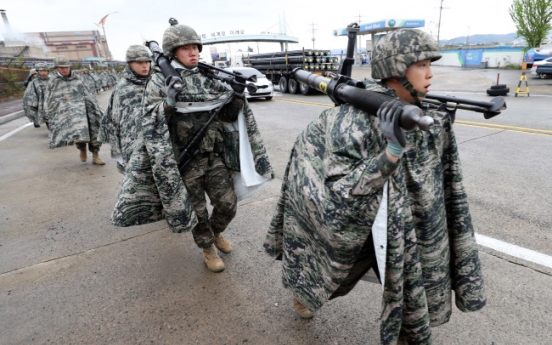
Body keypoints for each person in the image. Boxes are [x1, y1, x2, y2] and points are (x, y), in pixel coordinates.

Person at [264, 28, 485, 344]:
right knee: (336, 278)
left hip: (408, 230)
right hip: (364, 228)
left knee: (411, 302)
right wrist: (390, 153)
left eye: (430, 64)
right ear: (396, 70)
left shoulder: (424, 114)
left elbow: (439, 180)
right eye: (421, 65)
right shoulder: (347, 122)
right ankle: (306, 292)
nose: (430, 74)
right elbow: (339, 191)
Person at [111, 19, 273, 273]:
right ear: (173, 52)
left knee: (227, 204)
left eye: (195, 47)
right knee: (197, 211)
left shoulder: (208, 77)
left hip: (212, 155)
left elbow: (228, 116)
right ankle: (207, 247)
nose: (193, 52)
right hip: (183, 161)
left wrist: (238, 94)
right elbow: (151, 122)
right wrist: (170, 100)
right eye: (186, 48)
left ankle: (216, 232)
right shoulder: (159, 80)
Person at [99, 45, 152, 172]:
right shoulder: (123, 88)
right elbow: (117, 121)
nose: (145, 66)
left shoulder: (156, 82)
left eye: (147, 62)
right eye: (139, 62)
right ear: (129, 64)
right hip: (133, 143)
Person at [44, 55, 105, 165]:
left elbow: (88, 93)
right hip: (69, 112)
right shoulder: (53, 82)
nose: (65, 70)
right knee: (78, 133)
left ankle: (96, 155)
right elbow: (49, 99)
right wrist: (48, 113)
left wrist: (95, 107)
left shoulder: (78, 79)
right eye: (62, 68)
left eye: (67, 67)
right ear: (56, 68)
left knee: (94, 132)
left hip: (86, 110)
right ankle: (82, 149)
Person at [22, 63, 50, 128]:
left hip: (53, 103)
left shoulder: (53, 81)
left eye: (45, 71)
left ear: (48, 71)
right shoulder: (34, 82)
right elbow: (29, 95)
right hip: (42, 104)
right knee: (48, 119)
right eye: (41, 71)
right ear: (38, 72)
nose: (43, 73)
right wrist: (33, 105)